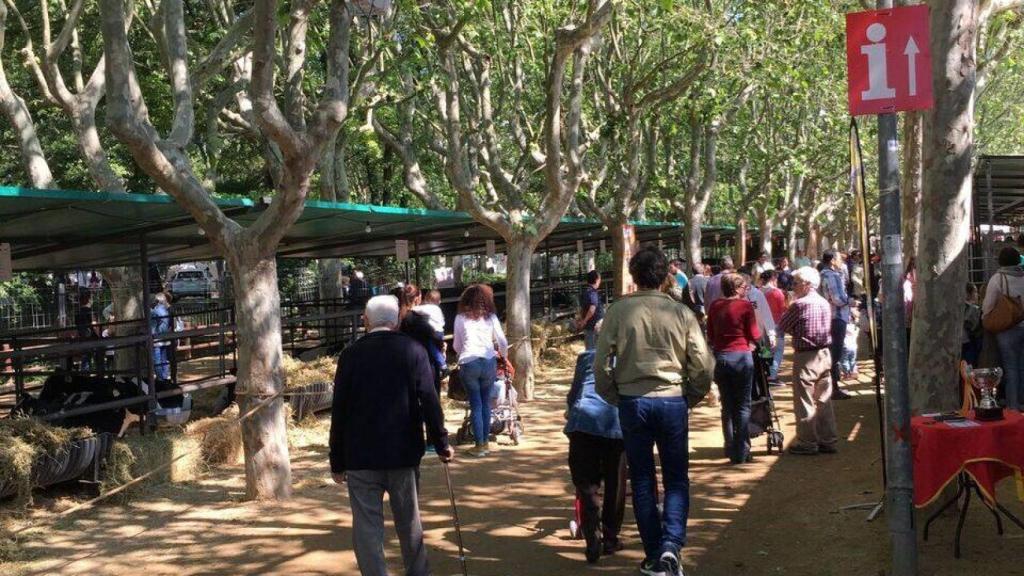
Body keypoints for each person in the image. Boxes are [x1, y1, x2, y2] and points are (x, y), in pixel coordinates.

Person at [594, 245, 714, 576]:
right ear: (665, 277)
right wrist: (692, 395)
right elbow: (702, 364)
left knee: (643, 479)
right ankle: (671, 547)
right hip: (673, 400)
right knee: (676, 478)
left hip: (632, 402)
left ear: (634, 276)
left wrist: (613, 395)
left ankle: (653, 553)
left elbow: (601, 362)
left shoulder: (618, 311)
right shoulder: (682, 313)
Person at [329, 295, 453, 576]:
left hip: (360, 456)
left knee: (366, 527)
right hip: (403, 452)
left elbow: (340, 410)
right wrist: (441, 441)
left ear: (366, 321)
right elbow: (430, 401)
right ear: (397, 320)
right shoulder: (413, 350)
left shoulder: (350, 355)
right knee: (409, 522)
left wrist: (336, 459)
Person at [565, 347, 626, 564]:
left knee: (586, 483)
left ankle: (592, 538)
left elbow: (574, 393)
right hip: (616, 422)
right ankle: (610, 537)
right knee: (615, 484)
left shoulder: (586, 357)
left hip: (583, 420)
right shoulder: (630, 355)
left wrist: (569, 411)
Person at [777, 267, 839, 455]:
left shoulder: (800, 304)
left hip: (806, 356)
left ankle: (807, 441)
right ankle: (828, 439)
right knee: (824, 399)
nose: (793, 286)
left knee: (804, 399)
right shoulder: (823, 302)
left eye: (795, 283)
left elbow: (783, 325)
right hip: (824, 354)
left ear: (806, 284)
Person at [706, 273, 760, 465]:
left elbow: (710, 334)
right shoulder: (745, 306)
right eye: (744, 287)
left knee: (727, 405)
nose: (746, 290)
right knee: (743, 405)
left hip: (721, 358)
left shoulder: (715, 306)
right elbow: (754, 333)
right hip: (741, 357)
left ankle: (729, 446)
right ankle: (743, 448)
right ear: (737, 289)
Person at [453, 283, 509, 457]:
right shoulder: (491, 317)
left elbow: (456, 345)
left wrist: (461, 353)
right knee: (486, 404)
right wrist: (504, 358)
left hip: (469, 362)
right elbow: (503, 342)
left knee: (475, 404)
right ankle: (485, 442)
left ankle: (479, 445)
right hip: (488, 362)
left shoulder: (461, 318)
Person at [983, 247, 1024, 410]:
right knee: (1022, 365)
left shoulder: (998, 279)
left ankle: (1013, 405)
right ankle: (1022, 402)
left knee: (1010, 367)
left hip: (1007, 329)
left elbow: (988, 306)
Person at [819, 251, 852, 400]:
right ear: (832, 260)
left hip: (828, 317)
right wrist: (850, 302)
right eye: (839, 258)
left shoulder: (822, 274)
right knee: (835, 354)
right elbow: (837, 298)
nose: (841, 261)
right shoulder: (832, 276)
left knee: (832, 352)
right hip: (836, 317)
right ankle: (832, 388)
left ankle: (832, 386)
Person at [761, 270, 787, 383]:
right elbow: (782, 310)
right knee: (778, 350)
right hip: (776, 324)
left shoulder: (758, 291)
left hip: (762, 325)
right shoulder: (777, 293)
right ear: (773, 279)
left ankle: (765, 373)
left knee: (766, 349)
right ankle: (772, 375)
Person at [576, 270, 605, 350]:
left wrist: (582, 320)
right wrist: (584, 321)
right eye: (600, 279)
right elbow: (592, 309)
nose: (600, 281)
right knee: (593, 351)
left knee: (591, 349)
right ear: (596, 280)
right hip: (594, 326)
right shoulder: (592, 293)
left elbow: (582, 309)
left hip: (590, 326)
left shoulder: (585, 292)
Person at [150, 292, 172, 380]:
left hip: (157, 339)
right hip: (164, 338)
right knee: (164, 360)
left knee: (157, 361)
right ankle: (165, 376)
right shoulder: (165, 310)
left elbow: (153, 326)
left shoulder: (155, 311)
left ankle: (161, 378)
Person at [962, 283, 983, 367]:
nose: (977, 295)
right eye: (975, 292)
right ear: (969, 293)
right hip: (969, 342)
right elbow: (974, 327)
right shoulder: (973, 309)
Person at [840, 308, 860, 379]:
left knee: (844, 360)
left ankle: (847, 373)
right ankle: (854, 372)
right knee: (852, 360)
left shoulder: (846, 326)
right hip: (854, 346)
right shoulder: (856, 327)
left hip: (845, 345)